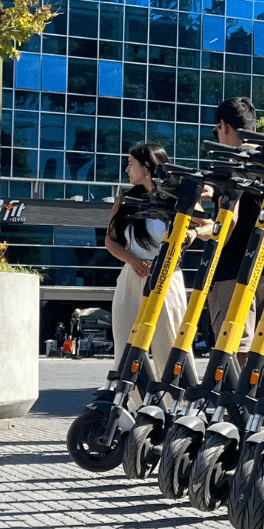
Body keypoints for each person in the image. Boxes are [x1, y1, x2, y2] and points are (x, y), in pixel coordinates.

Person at [193, 97, 264, 381]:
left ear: (225, 126)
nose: (218, 136)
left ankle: (236, 412)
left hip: (235, 271)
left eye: (217, 130)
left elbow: (231, 220)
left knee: (236, 345)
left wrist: (203, 234)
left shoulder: (230, 160)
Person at [105, 142, 190, 377]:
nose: (126, 169)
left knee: (170, 345)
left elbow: (205, 226)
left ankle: (174, 404)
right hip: (132, 278)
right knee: (126, 348)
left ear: (146, 166)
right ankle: (129, 404)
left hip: (166, 277)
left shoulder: (176, 199)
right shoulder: (125, 200)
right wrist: (132, 260)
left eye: (130, 163)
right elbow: (110, 241)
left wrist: (190, 235)